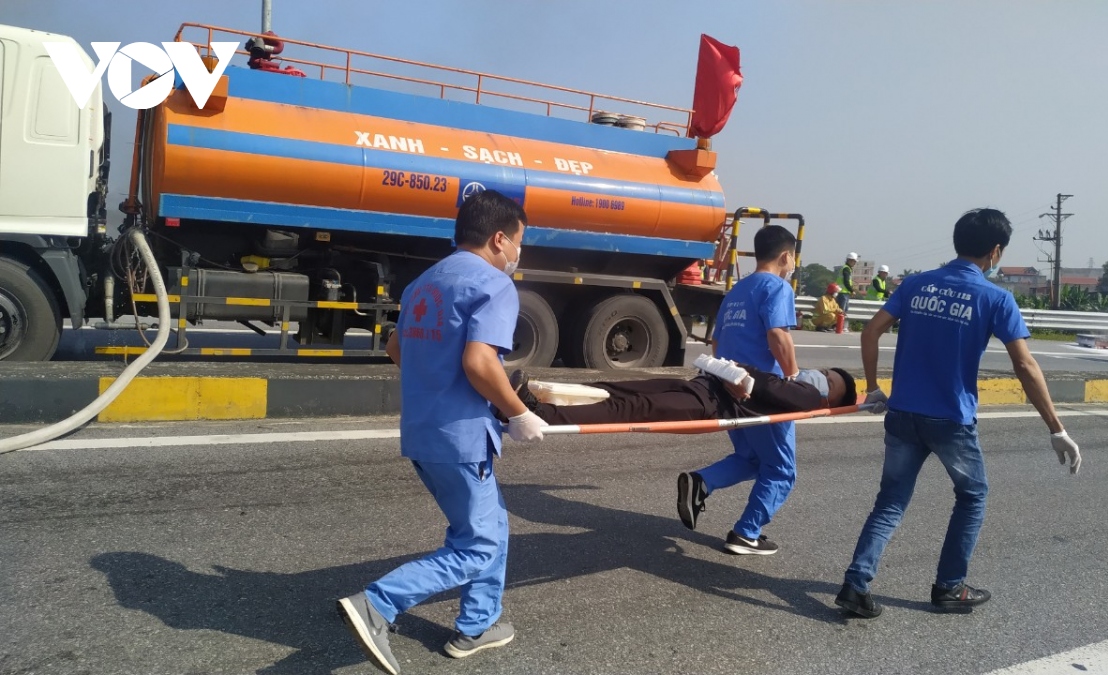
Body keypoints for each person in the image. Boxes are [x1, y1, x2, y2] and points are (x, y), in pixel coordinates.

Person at [337, 190, 547, 674]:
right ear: (499, 239)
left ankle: (479, 624)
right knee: (478, 545)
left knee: (490, 526)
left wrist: (437, 378)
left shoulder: (424, 282)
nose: (518, 253)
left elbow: (396, 348)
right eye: (518, 242)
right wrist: (517, 412)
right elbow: (479, 360)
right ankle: (378, 605)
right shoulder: (494, 284)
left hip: (423, 431)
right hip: (462, 438)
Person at [835, 208, 1082, 619]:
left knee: (891, 502)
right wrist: (1056, 427)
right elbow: (1024, 365)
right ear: (996, 251)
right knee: (972, 496)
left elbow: (870, 329)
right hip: (950, 420)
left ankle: (855, 584)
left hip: (902, 413)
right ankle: (950, 586)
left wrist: (875, 387)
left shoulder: (915, 284)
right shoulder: (996, 298)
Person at [676, 225, 800, 556]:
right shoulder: (777, 286)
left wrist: (728, 380)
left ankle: (703, 481)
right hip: (764, 393)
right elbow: (777, 335)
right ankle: (747, 533)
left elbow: (717, 341)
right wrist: (794, 380)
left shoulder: (736, 291)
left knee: (751, 458)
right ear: (786, 256)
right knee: (780, 470)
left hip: (731, 390)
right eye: (793, 259)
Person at [508, 364, 857, 426]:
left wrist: (745, 368)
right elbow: (761, 381)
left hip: (710, 404)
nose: (821, 375)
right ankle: (533, 393)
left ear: (830, 399)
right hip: (702, 386)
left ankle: (536, 412)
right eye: (826, 371)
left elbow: (765, 385)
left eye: (829, 379)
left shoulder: (810, 399)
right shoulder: (796, 385)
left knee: (630, 408)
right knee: (617, 388)